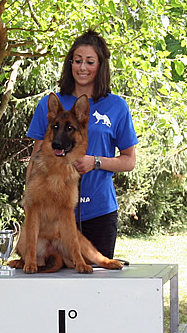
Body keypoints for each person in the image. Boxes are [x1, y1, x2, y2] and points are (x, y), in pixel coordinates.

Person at [26, 30, 138, 258]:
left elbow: (129, 160)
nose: (82, 67)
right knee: (52, 284)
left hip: (99, 212)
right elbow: (36, 155)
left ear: (101, 65)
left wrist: (95, 162)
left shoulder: (116, 106)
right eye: (77, 61)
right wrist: (29, 199)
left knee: (96, 285)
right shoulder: (51, 105)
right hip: (51, 213)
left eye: (90, 61)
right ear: (70, 64)